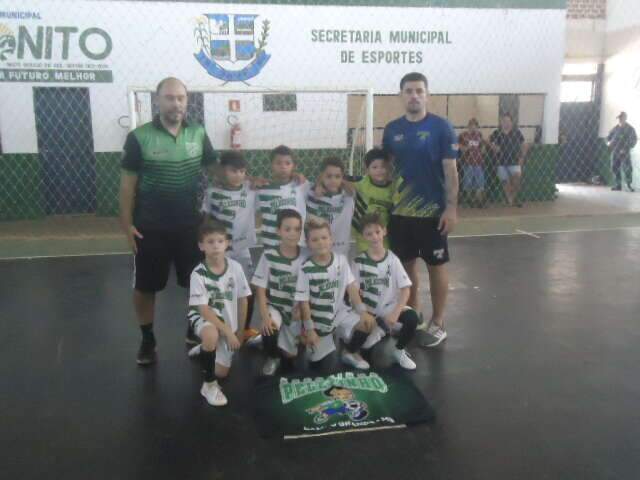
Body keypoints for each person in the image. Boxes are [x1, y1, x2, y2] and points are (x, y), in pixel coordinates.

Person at [119, 77, 217, 365]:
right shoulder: (139, 137)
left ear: (187, 101)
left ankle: (193, 328)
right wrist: (126, 225)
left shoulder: (198, 133)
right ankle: (148, 339)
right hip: (149, 228)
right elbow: (127, 187)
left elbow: (218, 172)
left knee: (196, 284)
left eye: (180, 98)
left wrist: (253, 183)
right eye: (170, 97)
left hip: (190, 226)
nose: (176, 103)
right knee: (145, 287)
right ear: (158, 101)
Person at [382, 72, 458, 348]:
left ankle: (438, 322)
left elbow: (451, 169)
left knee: (436, 266)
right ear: (401, 95)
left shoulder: (441, 127)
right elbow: (386, 170)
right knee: (406, 267)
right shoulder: (391, 130)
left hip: (433, 214)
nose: (414, 95)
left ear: (427, 94)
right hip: (400, 214)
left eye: (419, 90)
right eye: (409, 91)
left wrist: (451, 207)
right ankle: (413, 315)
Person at [295, 218, 376, 370]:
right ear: (308, 242)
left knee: (368, 323)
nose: (320, 242)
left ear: (331, 239)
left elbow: (351, 288)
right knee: (323, 367)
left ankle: (350, 351)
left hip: (340, 313)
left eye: (324, 237)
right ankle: (307, 338)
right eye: (315, 239)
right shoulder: (306, 268)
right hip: (320, 321)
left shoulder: (341, 260)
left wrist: (362, 312)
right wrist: (310, 329)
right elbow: (303, 302)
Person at [187, 220, 251, 406]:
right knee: (210, 333)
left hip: (227, 323)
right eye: (210, 242)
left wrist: (240, 331)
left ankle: (204, 349)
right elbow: (203, 310)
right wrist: (228, 332)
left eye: (220, 241)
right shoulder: (198, 274)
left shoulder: (236, 268)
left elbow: (243, 299)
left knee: (222, 372)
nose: (216, 245)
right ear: (201, 246)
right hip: (204, 317)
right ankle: (208, 385)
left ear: (227, 243)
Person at [199, 150, 257, 340]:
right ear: (223, 171)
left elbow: (277, 184)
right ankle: (215, 327)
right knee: (217, 291)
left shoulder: (252, 189)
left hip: (242, 250)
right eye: (233, 171)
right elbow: (206, 219)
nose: (238, 175)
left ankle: (246, 328)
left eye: (242, 171)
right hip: (219, 251)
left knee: (247, 289)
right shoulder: (212, 192)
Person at [351, 213, 418, 370]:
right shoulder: (358, 261)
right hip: (370, 312)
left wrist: (396, 312)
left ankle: (398, 350)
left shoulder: (393, 259)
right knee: (365, 346)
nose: (374, 237)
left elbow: (406, 290)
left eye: (377, 232)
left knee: (412, 318)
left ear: (384, 231)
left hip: (389, 309)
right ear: (363, 236)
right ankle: (376, 330)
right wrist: (362, 313)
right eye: (369, 234)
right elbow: (353, 291)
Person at [252, 209, 306, 376]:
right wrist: (265, 316)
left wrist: (303, 309)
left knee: (291, 355)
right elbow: (260, 289)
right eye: (287, 229)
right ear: (278, 231)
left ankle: (269, 338)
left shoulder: (306, 255)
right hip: (275, 305)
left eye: (297, 229)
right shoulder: (269, 255)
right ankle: (272, 356)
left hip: (296, 309)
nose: (293, 233)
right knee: (269, 327)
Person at [257, 145, 311, 249]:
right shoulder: (261, 190)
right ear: (271, 165)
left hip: (297, 245)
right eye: (278, 163)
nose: (283, 166)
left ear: (294, 166)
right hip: (271, 245)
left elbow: (322, 187)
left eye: (287, 163)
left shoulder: (302, 185)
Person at [306, 157, 355, 256]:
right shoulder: (310, 192)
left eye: (337, 176)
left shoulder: (348, 196)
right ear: (321, 176)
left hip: (340, 251)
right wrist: (318, 184)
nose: (333, 180)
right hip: (315, 251)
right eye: (329, 176)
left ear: (342, 177)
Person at [350, 148, 394, 253]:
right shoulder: (362, 183)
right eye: (374, 167)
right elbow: (341, 181)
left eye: (383, 167)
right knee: (367, 262)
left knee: (383, 260)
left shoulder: (393, 188)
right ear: (367, 169)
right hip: (363, 234)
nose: (379, 170)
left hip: (382, 234)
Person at [489, 113, 527, 207]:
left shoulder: (516, 132)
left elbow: (524, 144)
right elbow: (488, 141)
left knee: (517, 179)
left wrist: (522, 157)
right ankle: (510, 200)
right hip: (500, 162)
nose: (506, 123)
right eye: (504, 121)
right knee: (505, 182)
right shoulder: (497, 133)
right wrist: (493, 146)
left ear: (511, 122)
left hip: (514, 161)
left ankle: (512, 197)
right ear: (501, 122)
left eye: (508, 121)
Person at [459, 118, 486, 208]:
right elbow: (458, 147)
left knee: (480, 182)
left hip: (478, 162)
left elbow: (483, 149)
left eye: (475, 126)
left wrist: (481, 149)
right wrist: (466, 148)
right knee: (468, 181)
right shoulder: (463, 135)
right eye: (471, 126)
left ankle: (478, 200)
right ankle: (468, 199)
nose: (473, 128)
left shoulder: (479, 135)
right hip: (468, 162)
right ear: (468, 126)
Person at [607, 112, 637, 191]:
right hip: (615, 152)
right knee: (614, 167)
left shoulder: (630, 129)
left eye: (622, 117)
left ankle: (628, 185)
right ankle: (618, 185)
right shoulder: (615, 128)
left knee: (627, 168)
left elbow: (634, 139)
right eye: (619, 118)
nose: (620, 119)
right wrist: (608, 142)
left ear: (625, 118)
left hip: (625, 152)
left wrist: (627, 147)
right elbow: (608, 137)